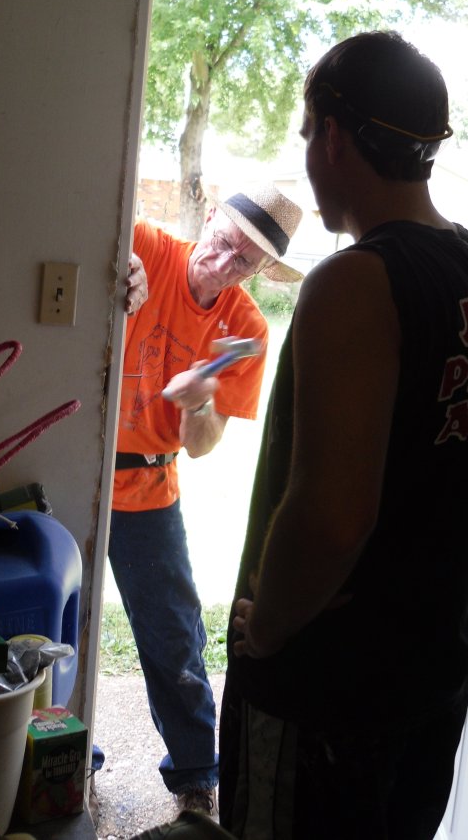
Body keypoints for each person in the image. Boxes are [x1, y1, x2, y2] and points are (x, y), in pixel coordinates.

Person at [219, 32, 468, 839]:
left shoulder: (356, 283)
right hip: (430, 672)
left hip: (327, 692)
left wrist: (266, 628)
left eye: (307, 134)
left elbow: (333, 519)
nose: (308, 156)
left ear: (334, 135)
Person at [110, 184, 304, 818]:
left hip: (149, 487)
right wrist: (124, 271)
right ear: (211, 215)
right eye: (222, 242)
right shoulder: (145, 243)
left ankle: (196, 778)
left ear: (262, 269)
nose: (223, 263)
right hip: (80, 469)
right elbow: (85, 251)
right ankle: (63, 753)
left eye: (244, 260)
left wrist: (198, 402)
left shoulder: (245, 329)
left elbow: (201, 447)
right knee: (60, 622)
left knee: (174, 635)